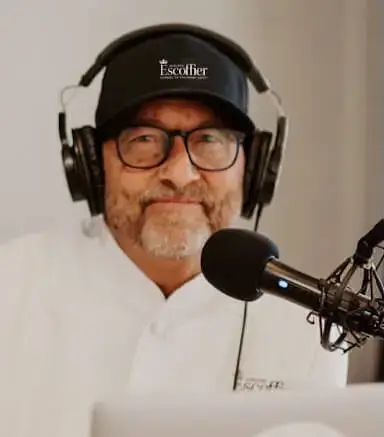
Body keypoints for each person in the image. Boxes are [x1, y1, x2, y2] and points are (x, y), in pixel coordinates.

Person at [0, 25, 347, 437]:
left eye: (210, 139)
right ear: (91, 164)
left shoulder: (307, 325)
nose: (180, 175)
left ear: (254, 169)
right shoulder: (11, 287)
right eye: (144, 139)